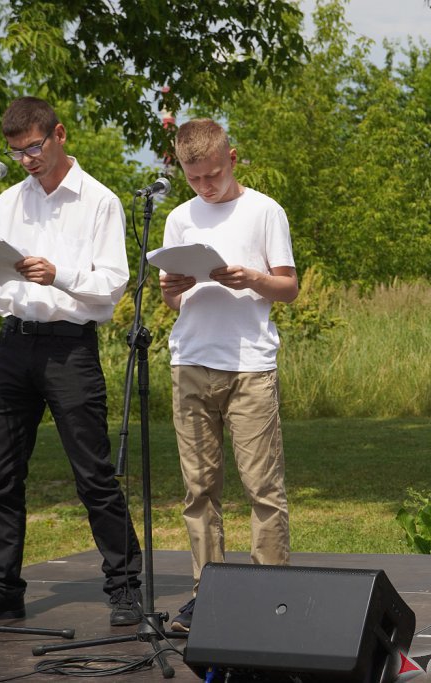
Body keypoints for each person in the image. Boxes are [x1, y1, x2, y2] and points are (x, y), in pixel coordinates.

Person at [0, 97, 143, 626]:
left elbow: (112, 286)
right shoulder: (6, 202)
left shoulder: (99, 201)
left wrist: (58, 274)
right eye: (17, 152)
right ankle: (1, 586)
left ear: (59, 134)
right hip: (15, 344)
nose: (27, 160)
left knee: (92, 473)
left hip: (70, 347)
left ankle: (126, 586)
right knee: (0, 475)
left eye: (34, 148)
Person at [158, 119, 298, 632]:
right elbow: (173, 299)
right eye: (194, 179)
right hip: (191, 361)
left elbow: (288, 287)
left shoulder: (264, 210)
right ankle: (208, 591)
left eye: (213, 175)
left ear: (231, 158)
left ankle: (271, 593)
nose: (205, 186)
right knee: (199, 489)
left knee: (263, 488)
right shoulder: (179, 218)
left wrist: (252, 279)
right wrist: (172, 286)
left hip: (249, 367)